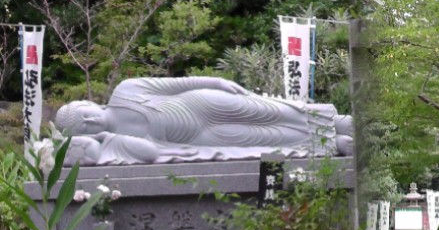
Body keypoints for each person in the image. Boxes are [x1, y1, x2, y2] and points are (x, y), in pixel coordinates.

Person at [56, 76, 353, 163]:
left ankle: (332, 121)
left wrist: (216, 82)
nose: (90, 120)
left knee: (271, 110)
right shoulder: (116, 144)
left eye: (84, 112)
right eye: (83, 125)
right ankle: (330, 144)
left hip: (201, 103)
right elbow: (150, 153)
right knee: (268, 138)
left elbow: (176, 84)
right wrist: (107, 139)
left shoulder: (125, 90)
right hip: (200, 139)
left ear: (87, 102)